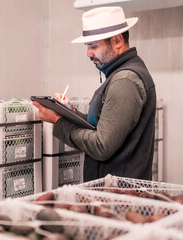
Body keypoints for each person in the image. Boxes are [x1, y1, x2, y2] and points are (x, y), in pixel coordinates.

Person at [33, 7, 156, 182]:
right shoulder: (122, 75)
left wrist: (57, 121)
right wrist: (70, 112)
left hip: (118, 197)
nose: (88, 53)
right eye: (87, 46)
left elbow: (101, 145)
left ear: (117, 40)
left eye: (94, 46)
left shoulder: (125, 81)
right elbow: (102, 126)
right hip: (114, 191)